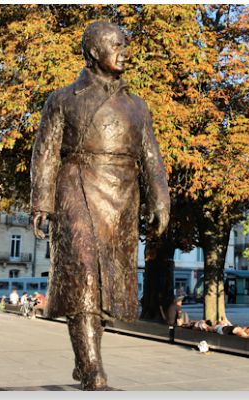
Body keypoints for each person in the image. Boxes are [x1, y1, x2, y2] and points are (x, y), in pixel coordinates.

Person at [30, 21, 170, 391]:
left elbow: (151, 155)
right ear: (94, 51)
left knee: (109, 287)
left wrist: (160, 197)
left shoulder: (137, 106)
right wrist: (41, 202)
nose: (125, 52)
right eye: (117, 45)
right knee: (84, 277)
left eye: (125, 44)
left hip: (122, 197)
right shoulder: (63, 99)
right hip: (78, 184)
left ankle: (85, 359)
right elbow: (45, 154)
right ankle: (93, 368)